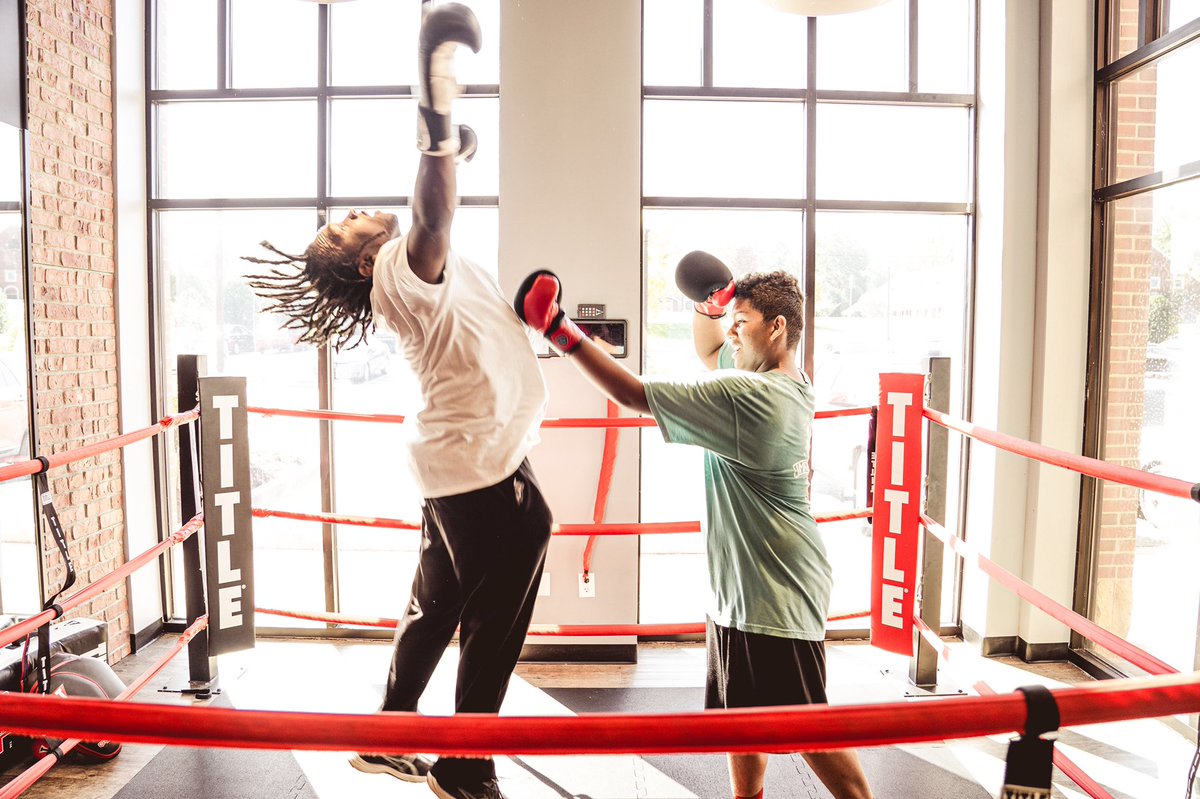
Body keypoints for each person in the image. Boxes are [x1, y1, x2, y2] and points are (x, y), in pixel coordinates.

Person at [244, 6, 551, 799]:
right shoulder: (398, 269)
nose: (354, 214)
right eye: (345, 226)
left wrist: (456, 156)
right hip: (484, 469)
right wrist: (436, 110)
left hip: (455, 464)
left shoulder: (412, 275)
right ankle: (466, 764)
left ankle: (388, 730)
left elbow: (440, 211)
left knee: (437, 604)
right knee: (492, 622)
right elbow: (433, 211)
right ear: (359, 261)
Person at [513, 261, 874, 799]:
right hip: (744, 587)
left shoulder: (754, 397)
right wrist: (711, 308)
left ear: (777, 327)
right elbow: (710, 350)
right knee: (741, 718)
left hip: (774, 594)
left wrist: (558, 329)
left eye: (742, 322)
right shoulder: (783, 378)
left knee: (808, 727)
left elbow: (633, 395)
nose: (733, 332)